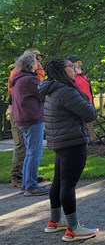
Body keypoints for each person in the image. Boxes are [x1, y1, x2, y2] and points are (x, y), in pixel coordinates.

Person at [40, 59, 99, 241]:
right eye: (70, 67)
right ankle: (73, 229)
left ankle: (55, 220)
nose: (74, 69)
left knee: (58, 182)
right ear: (62, 70)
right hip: (72, 141)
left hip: (60, 141)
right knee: (67, 184)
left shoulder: (51, 89)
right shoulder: (65, 91)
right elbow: (90, 114)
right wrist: (85, 97)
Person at [7, 49, 45, 188]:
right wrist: (40, 72)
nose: (39, 62)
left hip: (23, 117)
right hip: (30, 117)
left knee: (30, 151)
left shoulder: (21, 77)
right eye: (36, 60)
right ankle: (26, 182)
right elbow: (42, 91)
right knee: (29, 150)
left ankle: (27, 180)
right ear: (30, 63)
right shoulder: (28, 79)